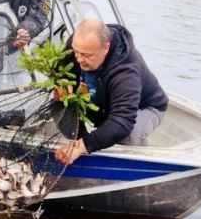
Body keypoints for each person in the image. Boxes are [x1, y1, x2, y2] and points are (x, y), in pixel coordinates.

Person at [54, 19, 168, 165]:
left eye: (86, 56)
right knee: (59, 104)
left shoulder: (126, 72)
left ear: (106, 48)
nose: (79, 59)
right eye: (76, 52)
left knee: (129, 135)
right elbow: (62, 65)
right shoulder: (79, 43)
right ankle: (81, 150)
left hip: (145, 107)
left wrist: (82, 146)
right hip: (102, 103)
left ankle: (135, 169)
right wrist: (62, 81)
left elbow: (123, 121)